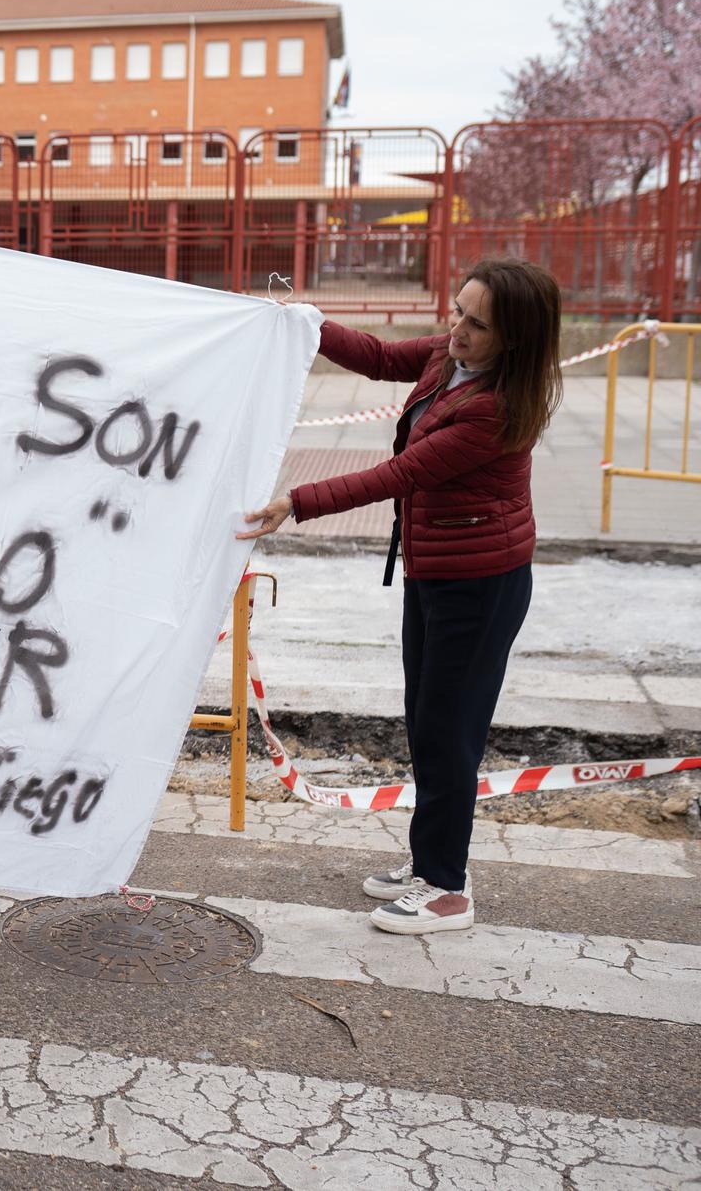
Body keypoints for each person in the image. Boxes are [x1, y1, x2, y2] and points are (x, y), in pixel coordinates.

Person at [239, 258, 562, 936]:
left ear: (516, 340)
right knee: (427, 722)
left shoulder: (496, 411)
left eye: (478, 324)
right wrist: (307, 324)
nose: (458, 329)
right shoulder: (453, 360)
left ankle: (447, 889)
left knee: (449, 733)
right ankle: (431, 859)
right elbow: (381, 355)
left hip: (480, 585)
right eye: (458, 311)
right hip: (439, 572)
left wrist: (295, 502)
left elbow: (401, 472)